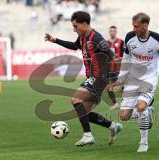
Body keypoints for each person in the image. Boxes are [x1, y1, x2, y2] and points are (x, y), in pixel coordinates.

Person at [44, 11, 122, 147]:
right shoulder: (83, 37)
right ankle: (112, 126)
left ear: (85, 24)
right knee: (83, 111)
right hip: (93, 78)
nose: (74, 29)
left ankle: (88, 135)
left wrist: (112, 79)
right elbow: (74, 46)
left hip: (98, 78)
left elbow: (111, 55)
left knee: (75, 99)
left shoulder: (96, 38)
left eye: (76, 26)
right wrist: (55, 40)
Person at [108, 12, 159, 152]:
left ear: (145, 26)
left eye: (136, 26)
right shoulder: (129, 37)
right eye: (133, 26)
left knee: (141, 107)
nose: (134, 29)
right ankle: (148, 111)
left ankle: (144, 142)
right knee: (124, 116)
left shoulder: (157, 39)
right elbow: (127, 58)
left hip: (149, 79)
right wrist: (120, 80)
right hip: (132, 79)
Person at [106, 25, 124, 110]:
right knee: (109, 86)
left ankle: (126, 102)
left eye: (114, 31)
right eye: (111, 31)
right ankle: (114, 103)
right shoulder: (105, 43)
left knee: (122, 86)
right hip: (109, 68)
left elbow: (125, 55)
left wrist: (120, 58)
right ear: (109, 32)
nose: (112, 32)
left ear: (116, 32)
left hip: (119, 67)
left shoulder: (121, 42)